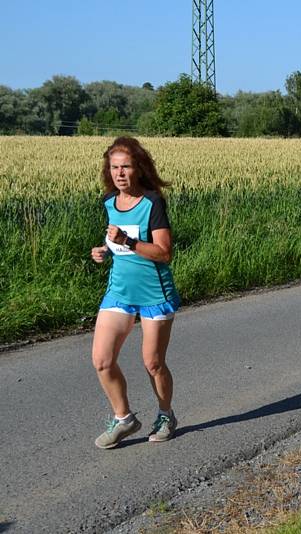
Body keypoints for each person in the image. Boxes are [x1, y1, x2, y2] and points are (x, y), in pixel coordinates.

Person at [90, 137, 180, 449]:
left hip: (155, 292)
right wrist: (104, 250)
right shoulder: (109, 203)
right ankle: (124, 418)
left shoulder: (152, 203)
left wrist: (127, 242)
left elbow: (163, 253)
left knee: (153, 363)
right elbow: (118, 245)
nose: (120, 173)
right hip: (119, 292)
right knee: (102, 360)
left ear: (138, 168)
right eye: (114, 167)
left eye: (126, 166)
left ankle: (166, 414)